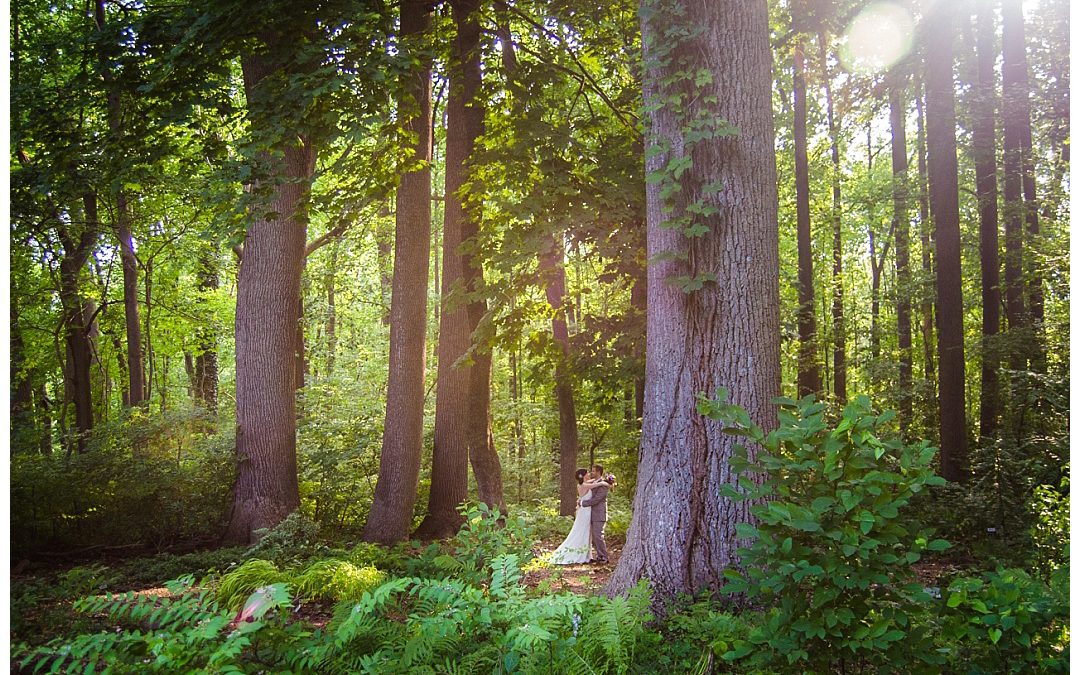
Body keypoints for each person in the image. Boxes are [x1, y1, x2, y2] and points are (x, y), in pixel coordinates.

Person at [550, 468, 611, 565]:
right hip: (585, 512)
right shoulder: (584, 485)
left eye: (591, 472)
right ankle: (580, 554)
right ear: (583, 475)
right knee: (582, 531)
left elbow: (595, 481)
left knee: (588, 533)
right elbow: (596, 484)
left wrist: (607, 480)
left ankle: (587, 555)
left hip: (588, 511)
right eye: (587, 473)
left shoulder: (586, 482)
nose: (589, 474)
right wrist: (604, 483)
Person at [579, 464, 614, 564]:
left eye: (593, 471)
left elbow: (597, 499)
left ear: (598, 472)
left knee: (598, 536)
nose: (591, 473)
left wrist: (583, 503)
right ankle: (599, 556)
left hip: (599, 514)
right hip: (591, 514)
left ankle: (604, 557)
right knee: (594, 536)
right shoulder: (595, 482)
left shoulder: (603, 484)